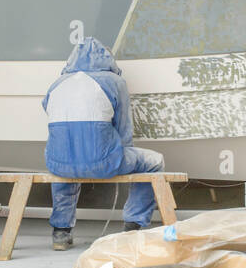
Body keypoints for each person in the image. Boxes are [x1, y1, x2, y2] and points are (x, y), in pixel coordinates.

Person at [42, 37, 165, 251]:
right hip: (105, 162)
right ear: (108, 59)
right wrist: (121, 155)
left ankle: (61, 232)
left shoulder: (56, 85)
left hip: (57, 162)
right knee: (155, 162)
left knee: (67, 160)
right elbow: (124, 129)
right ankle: (134, 225)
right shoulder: (114, 82)